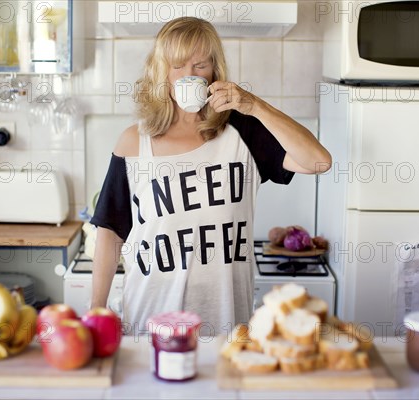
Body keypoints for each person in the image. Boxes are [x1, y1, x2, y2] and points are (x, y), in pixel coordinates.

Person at [90, 17, 331, 335]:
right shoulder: (134, 142)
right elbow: (110, 232)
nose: (189, 75)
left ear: (215, 72)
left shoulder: (242, 133)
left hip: (226, 327)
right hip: (150, 324)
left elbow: (318, 161)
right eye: (177, 66)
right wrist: (96, 313)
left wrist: (254, 105)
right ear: (161, 72)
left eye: (200, 65)